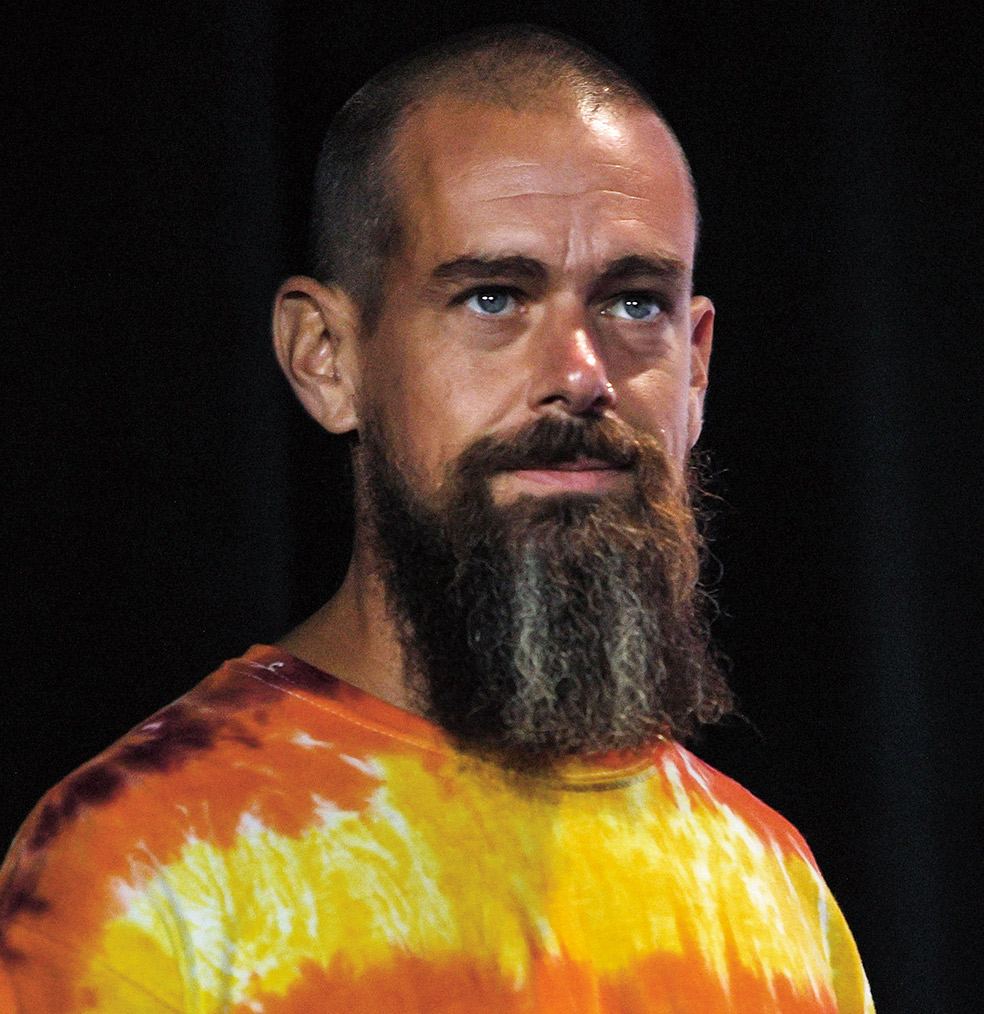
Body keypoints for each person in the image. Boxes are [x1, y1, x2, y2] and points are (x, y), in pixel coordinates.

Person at [0, 25, 875, 1014]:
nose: (581, 376)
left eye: (635, 305)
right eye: (494, 298)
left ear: (699, 365)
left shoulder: (773, 889)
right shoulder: (143, 866)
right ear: (327, 357)